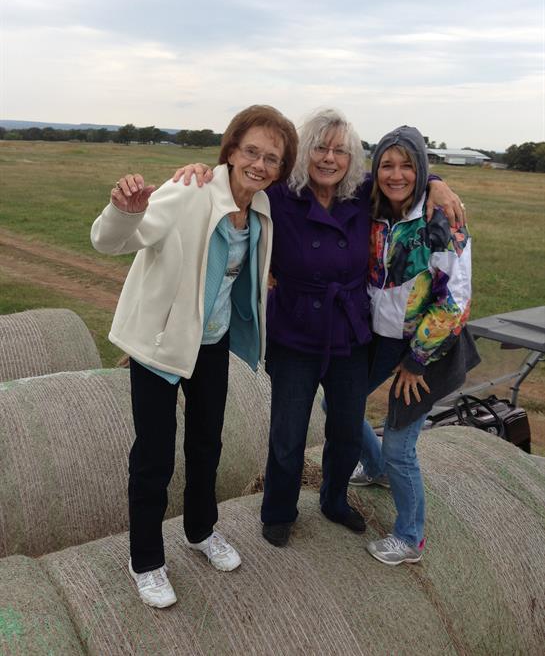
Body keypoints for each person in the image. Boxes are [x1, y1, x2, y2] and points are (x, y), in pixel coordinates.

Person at [173, 109, 465, 549]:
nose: (329, 158)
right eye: (320, 148)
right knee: (288, 434)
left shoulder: (361, 195)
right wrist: (201, 170)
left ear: (351, 159)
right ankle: (278, 510)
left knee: (346, 429)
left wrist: (437, 181)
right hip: (294, 330)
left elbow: (401, 174)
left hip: (349, 332)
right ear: (303, 153)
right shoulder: (280, 195)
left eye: (340, 151)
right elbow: (238, 177)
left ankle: (333, 499)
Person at [91, 105, 298, 608]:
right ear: (231, 149)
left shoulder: (264, 208)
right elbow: (111, 241)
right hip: (162, 346)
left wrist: (437, 182)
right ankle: (147, 562)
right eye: (251, 151)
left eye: (272, 157)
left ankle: (201, 531)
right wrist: (127, 208)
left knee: (207, 445)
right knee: (154, 458)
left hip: (212, 343)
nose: (260, 163)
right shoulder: (188, 189)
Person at [355, 125, 478, 566]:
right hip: (381, 339)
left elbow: (455, 301)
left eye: (408, 165)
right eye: (387, 164)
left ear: (422, 169)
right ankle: (376, 470)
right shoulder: (371, 210)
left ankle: (409, 537)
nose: (396, 174)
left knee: (400, 444)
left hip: (429, 349)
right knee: (340, 407)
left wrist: (416, 361)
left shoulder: (442, 221)